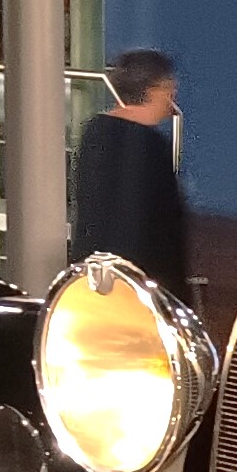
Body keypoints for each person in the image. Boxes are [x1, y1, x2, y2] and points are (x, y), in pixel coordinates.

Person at [70, 47, 188, 294]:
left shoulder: (93, 132)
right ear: (155, 91)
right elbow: (162, 234)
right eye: (169, 90)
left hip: (89, 282)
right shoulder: (151, 146)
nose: (172, 99)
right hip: (136, 289)